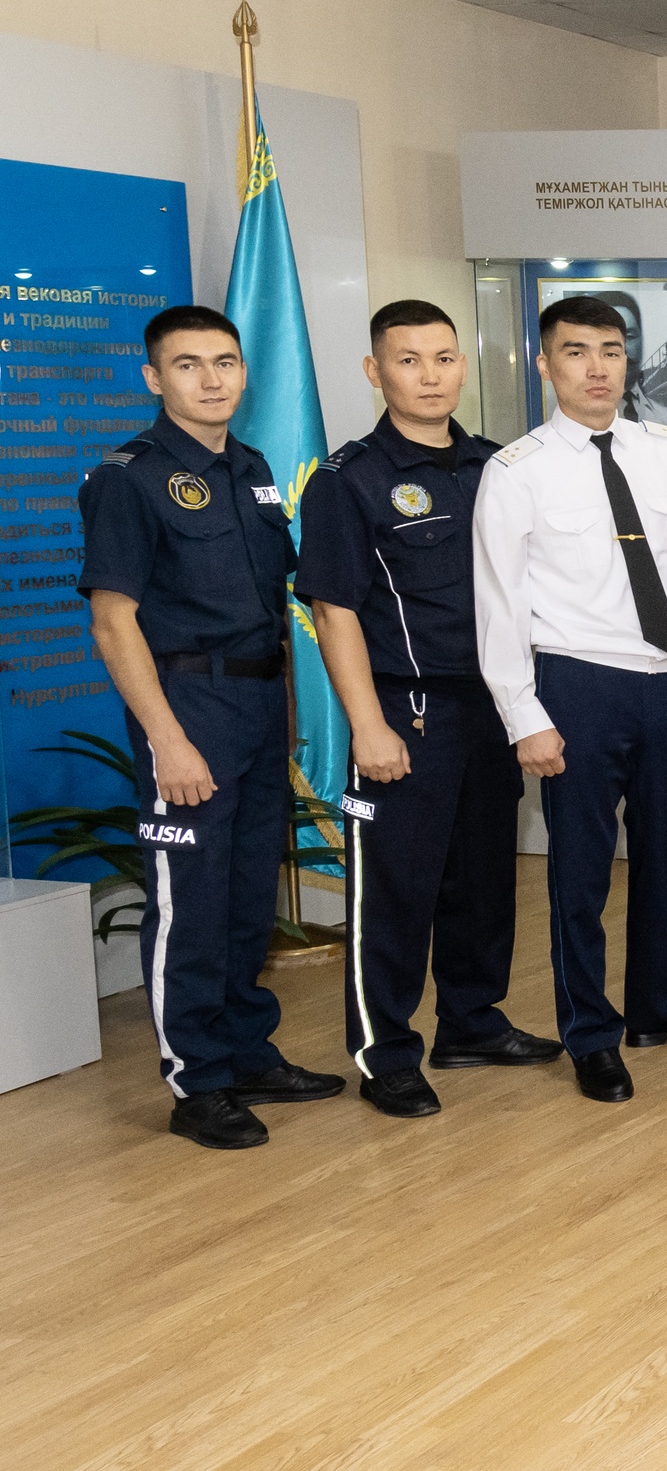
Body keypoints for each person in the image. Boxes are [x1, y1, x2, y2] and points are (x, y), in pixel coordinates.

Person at [475, 295, 667, 1105]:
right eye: (576, 352)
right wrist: (526, 716)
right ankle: (590, 1033)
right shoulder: (516, 470)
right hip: (576, 685)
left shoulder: (666, 451)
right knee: (581, 876)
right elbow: (500, 605)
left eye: (611, 350)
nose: (597, 368)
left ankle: (658, 1007)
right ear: (544, 363)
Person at [79, 305, 334, 1149]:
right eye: (188, 365)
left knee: (247, 891)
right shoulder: (130, 476)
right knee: (189, 901)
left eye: (224, 362)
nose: (212, 379)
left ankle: (246, 1052)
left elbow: (274, 607)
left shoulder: (253, 467)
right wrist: (167, 740)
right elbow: (115, 623)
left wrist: (288, 719)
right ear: (154, 379)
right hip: (187, 708)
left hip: (261, 709)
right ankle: (196, 1080)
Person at [298, 299, 554, 1121]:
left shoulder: (497, 465)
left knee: (483, 879)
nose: (430, 374)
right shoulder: (350, 480)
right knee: (397, 891)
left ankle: (472, 1021)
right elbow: (333, 611)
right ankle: (386, 1052)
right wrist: (365, 724)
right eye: (409, 360)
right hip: (404, 710)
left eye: (444, 358)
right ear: (375, 371)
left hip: (494, 703)